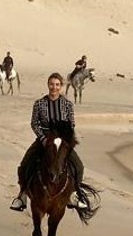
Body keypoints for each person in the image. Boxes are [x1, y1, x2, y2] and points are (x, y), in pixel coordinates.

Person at [10, 73, 87, 212]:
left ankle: (75, 194)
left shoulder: (68, 104)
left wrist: (65, 141)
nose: (54, 87)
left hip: (62, 143)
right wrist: (43, 139)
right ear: (48, 85)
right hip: (44, 140)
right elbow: (34, 123)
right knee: (24, 164)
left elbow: (72, 124)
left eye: (57, 85)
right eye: (52, 84)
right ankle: (21, 196)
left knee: (79, 166)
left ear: (61, 86)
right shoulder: (39, 103)